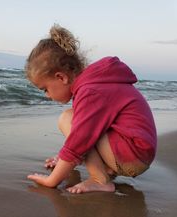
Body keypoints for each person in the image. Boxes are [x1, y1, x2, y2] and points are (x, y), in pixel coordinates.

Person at [25, 24, 157, 194]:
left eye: (45, 89)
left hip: (132, 155)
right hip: (136, 151)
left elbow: (80, 139)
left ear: (61, 77)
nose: (47, 95)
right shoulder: (95, 83)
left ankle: (99, 180)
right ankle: (106, 170)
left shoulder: (90, 91)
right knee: (78, 122)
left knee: (67, 118)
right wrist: (62, 158)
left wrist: (52, 180)